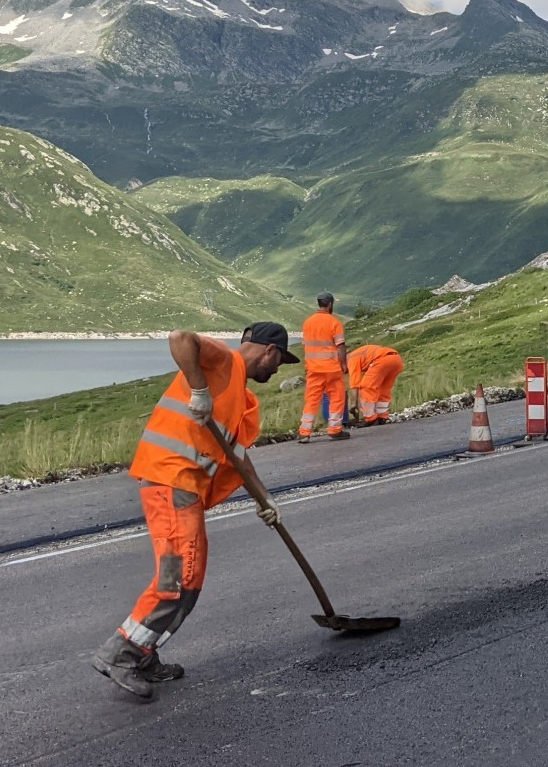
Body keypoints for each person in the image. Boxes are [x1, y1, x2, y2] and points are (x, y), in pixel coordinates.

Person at [91, 322, 297, 699]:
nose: (277, 370)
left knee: (190, 583)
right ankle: (119, 653)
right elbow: (179, 337)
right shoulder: (225, 363)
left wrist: (266, 501)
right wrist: (199, 391)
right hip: (171, 482)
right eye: (280, 362)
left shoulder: (240, 398)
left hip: (187, 490)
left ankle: (144, 652)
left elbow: (239, 458)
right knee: (176, 579)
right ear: (269, 351)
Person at [299, 292, 348, 442]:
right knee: (337, 398)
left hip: (314, 369)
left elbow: (306, 345)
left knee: (312, 400)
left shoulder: (308, 323)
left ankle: (304, 432)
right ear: (330, 304)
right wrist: (344, 363)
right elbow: (340, 346)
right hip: (332, 368)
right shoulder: (334, 322)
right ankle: (334, 430)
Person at [346, 343, 405, 424]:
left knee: (366, 387)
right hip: (396, 360)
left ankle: (370, 418)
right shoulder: (358, 354)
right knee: (383, 390)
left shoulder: (351, 359)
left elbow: (354, 384)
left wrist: (353, 405)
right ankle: (382, 417)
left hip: (382, 360)